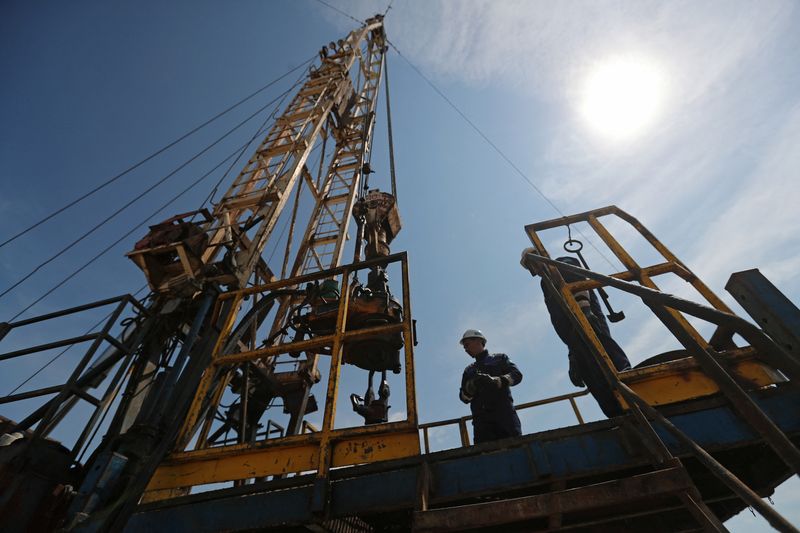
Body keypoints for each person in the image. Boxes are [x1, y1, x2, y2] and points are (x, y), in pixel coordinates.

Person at [523, 251, 631, 417]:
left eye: (533, 260)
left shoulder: (561, 263)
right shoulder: (545, 282)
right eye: (530, 265)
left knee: (608, 358)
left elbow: (577, 281)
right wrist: (572, 355)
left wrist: (585, 310)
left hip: (587, 321)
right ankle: (617, 415)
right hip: (573, 335)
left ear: (541, 254)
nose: (534, 266)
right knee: (591, 373)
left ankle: (632, 390)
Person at [458, 329, 523, 444]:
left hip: (505, 418)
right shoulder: (469, 370)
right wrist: (471, 387)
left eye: (467, 345)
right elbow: (463, 398)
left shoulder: (499, 358)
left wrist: (497, 381)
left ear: (478, 341)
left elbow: (516, 375)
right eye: (464, 347)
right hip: (482, 424)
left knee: (515, 448)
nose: (466, 349)